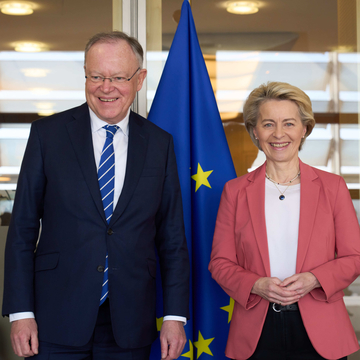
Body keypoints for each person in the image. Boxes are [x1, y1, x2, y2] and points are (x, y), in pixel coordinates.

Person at [2, 31, 190, 360]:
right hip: (56, 318)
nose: (106, 87)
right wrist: (21, 312)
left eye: (118, 77)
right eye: (96, 76)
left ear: (139, 79)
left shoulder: (160, 144)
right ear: (85, 75)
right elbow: (22, 230)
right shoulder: (48, 135)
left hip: (131, 321)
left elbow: (172, 239)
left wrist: (175, 317)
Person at [209, 81, 360, 360]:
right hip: (256, 331)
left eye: (289, 123)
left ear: (304, 129)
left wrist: (315, 279)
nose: (279, 134)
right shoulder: (235, 191)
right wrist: (256, 284)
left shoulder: (333, 187)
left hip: (323, 330)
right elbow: (219, 263)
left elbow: (354, 257)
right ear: (255, 130)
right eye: (268, 124)